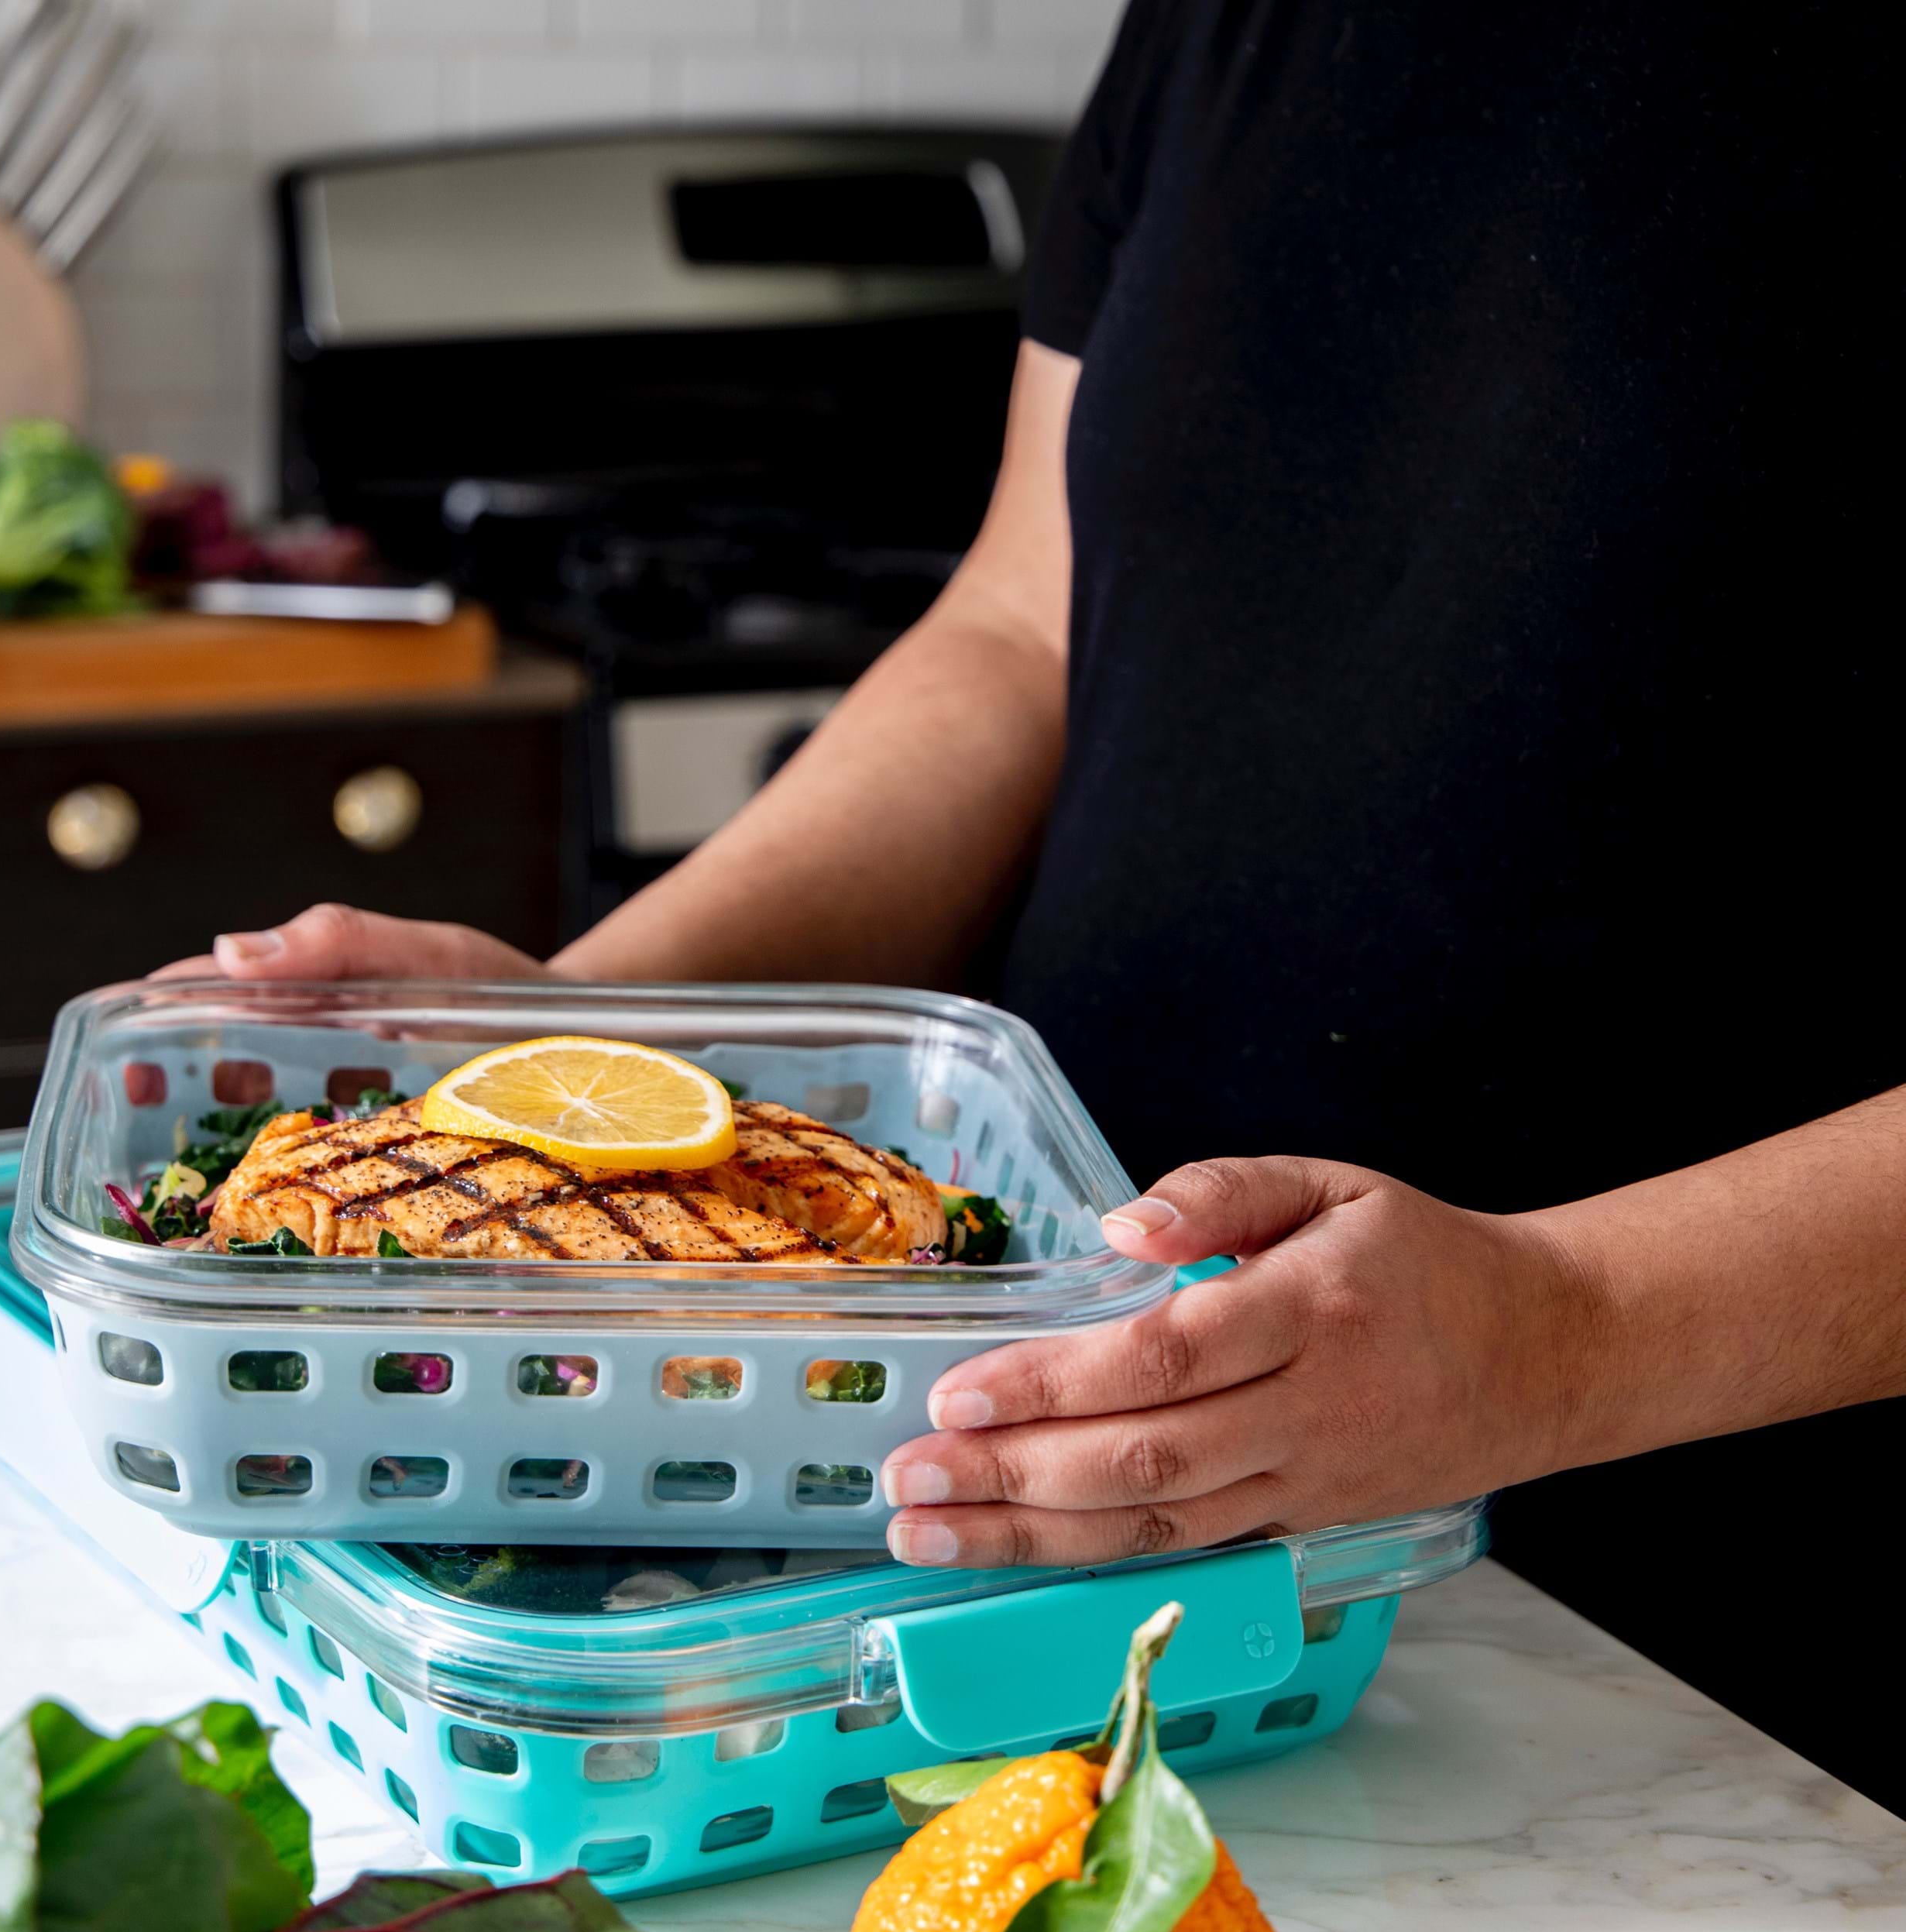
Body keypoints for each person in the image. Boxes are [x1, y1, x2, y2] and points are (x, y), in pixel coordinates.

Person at [160, 2, 1906, 1797]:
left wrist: (1564, 1329)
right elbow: (1027, 629)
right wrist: (588, 1025)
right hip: (1031, 1549)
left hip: (1711, 1670)